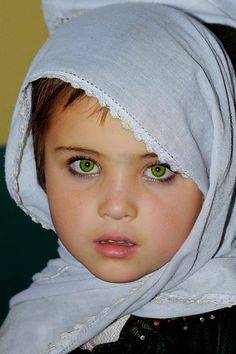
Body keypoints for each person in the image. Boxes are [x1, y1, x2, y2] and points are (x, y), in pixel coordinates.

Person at [1, 2, 236, 353]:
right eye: (84, 165)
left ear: (216, 179)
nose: (115, 207)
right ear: (40, 168)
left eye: (158, 170)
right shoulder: (32, 320)